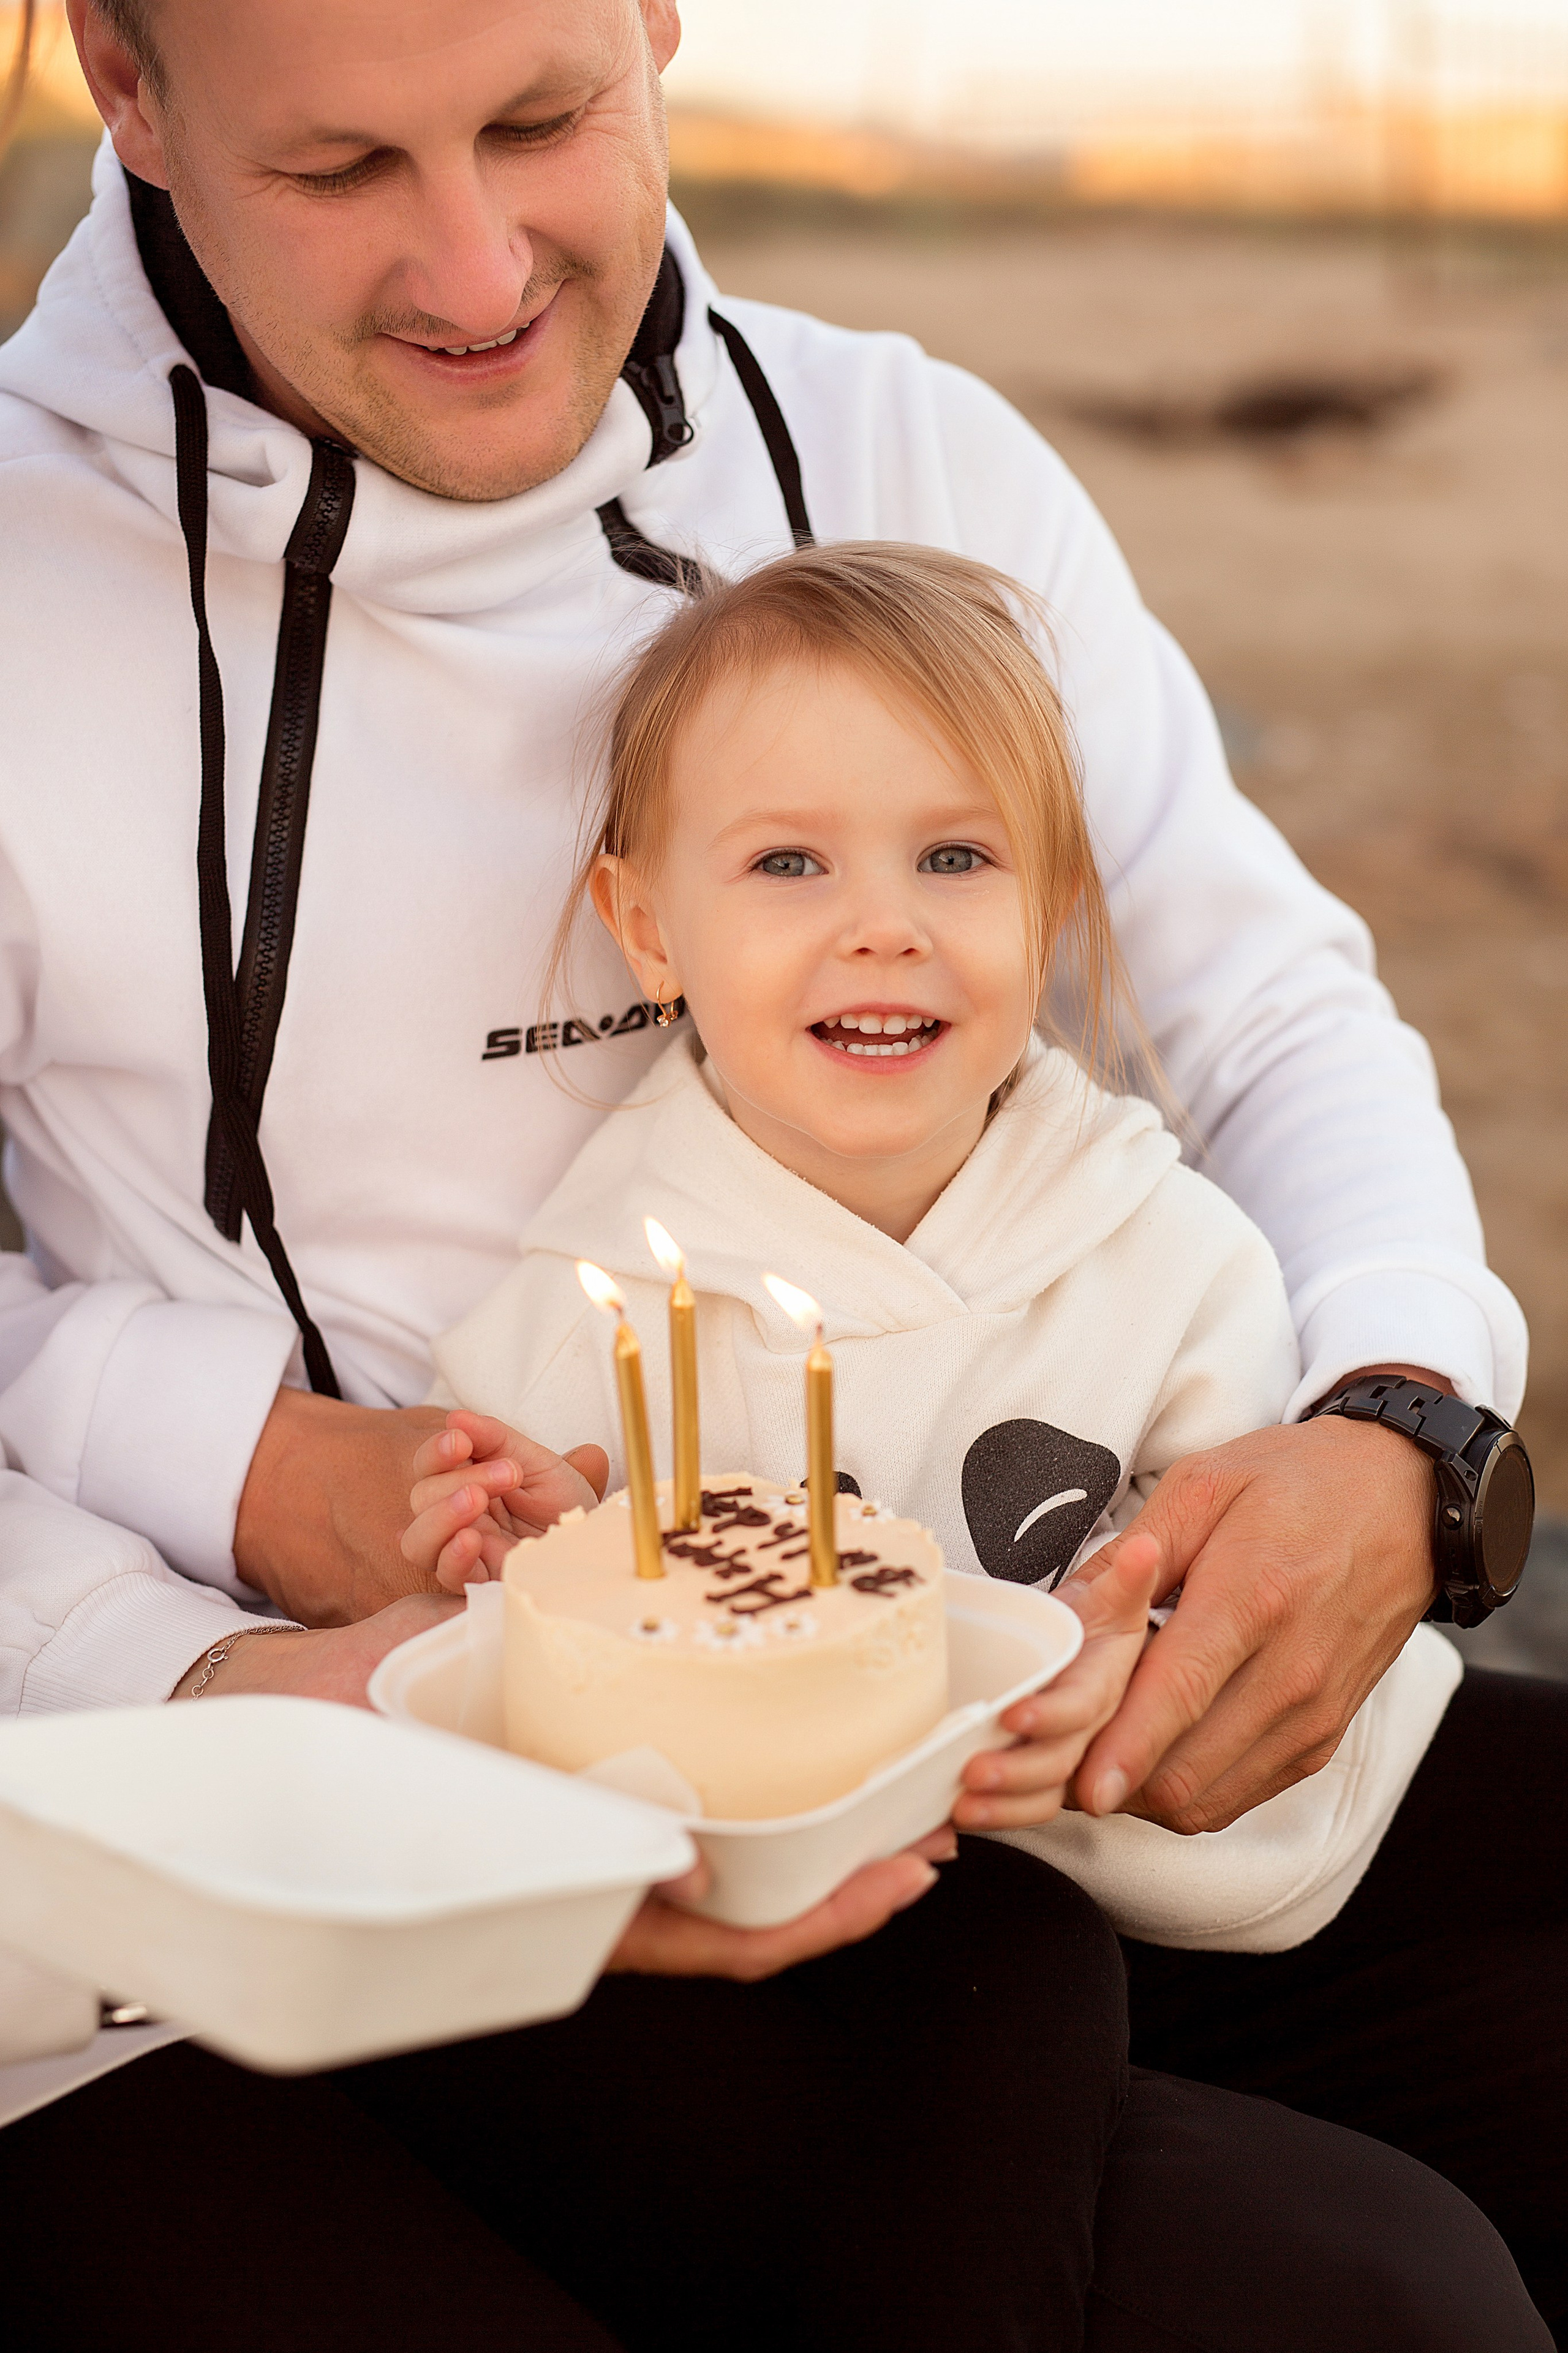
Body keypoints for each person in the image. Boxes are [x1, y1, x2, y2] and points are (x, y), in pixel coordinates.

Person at [0, 0, 1559, 2336]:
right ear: (122, 86)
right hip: (250, 1844)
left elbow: (1263, 1003)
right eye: (340, 171)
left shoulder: (904, 446)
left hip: (962, 1755)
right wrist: (235, 1645)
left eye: (543, 120)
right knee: (1374, 2297)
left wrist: (1404, 1424)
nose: (475, 262)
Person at [413, 535, 1466, 1958]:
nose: (883, 927)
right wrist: (509, 1542)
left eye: (955, 857)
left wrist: (1116, 1680)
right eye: (788, 861)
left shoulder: (1165, 1251)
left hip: (1202, 1869)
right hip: (821, 1948)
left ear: (1049, 913)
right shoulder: (595, 1298)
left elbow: (1249, 1597)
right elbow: (551, 1659)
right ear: (647, 927)